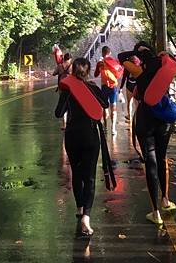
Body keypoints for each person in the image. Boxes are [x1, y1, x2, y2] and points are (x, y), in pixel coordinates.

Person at [119, 41, 176, 226]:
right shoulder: (163, 68)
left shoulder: (138, 71)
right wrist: (163, 54)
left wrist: (138, 53)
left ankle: (155, 213)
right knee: (162, 158)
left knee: (150, 162)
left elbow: (121, 57)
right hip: (163, 119)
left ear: (140, 57)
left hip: (145, 120)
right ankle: (165, 200)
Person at [55, 57, 110, 236]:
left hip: (72, 136)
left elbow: (58, 113)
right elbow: (105, 104)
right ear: (88, 71)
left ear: (73, 71)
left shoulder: (68, 90)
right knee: (90, 177)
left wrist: (65, 92)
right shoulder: (93, 88)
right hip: (91, 137)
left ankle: (79, 208)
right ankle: (86, 216)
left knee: (77, 174)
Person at [94, 46, 123, 135]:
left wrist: (99, 67)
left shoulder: (100, 63)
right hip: (113, 88)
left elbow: (95, 74)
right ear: (109, 53)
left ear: (102, 53)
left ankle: (105, 127)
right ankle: (113, 129)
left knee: (104, 108)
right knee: (113, 107)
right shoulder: (114, 62)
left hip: (104, 87)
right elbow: (119, 73)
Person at [118, 54, 141, 123]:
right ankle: (138, 118)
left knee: (129, 102)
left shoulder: (127, 67)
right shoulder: (138, 67)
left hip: (129, 85)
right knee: (137, 103)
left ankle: (130, 117)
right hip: (136, 86)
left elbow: (124, 78)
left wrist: (121, 87)